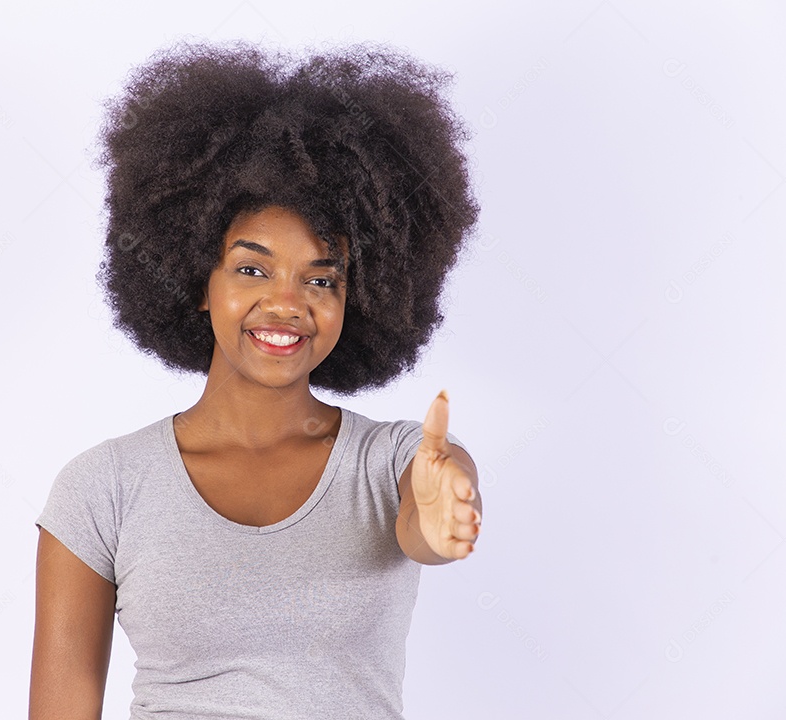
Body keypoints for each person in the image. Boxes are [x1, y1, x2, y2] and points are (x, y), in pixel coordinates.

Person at [29, 38, 483, 720]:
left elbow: (426, 514)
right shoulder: (102, 491)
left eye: (321, 278)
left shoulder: (394, 462)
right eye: (251, 268)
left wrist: (441, 515)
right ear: (196, 281)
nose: (286, 302)